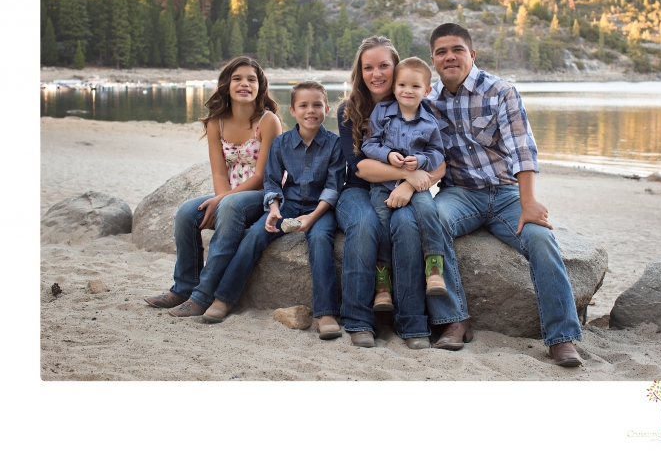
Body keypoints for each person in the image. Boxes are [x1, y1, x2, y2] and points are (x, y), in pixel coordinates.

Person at [426, 23, 583, 366]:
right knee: (430, 220)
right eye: (441, 52)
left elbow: (522, 148)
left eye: (457, 50)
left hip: (507, 194)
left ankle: (562, 338)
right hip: (460, 194)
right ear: (433, 59)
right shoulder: (429, 100)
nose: (449, 57)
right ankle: (455, 320)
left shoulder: (500, 91)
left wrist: (529, 202)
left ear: (472, 54)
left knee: (541, 239)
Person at [336, 36, 459, 350]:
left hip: (405, 188)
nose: (376, 74)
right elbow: (360, 166)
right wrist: (408, 172)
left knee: (406, 227)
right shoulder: (349, 110)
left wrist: (408, 184)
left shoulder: (421, 106)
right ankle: (359, 320)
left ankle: (413, 323)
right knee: (365, 225)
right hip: (359, 190)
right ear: (359, 72)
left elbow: (440, 164)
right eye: (368, 67)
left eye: (383, 66)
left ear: (397, 69)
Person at [202, 81, 346, 338]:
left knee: (321, 241)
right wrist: (274, 209)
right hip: (288, 203)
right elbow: (271, 179)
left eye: (316, 105)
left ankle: (326, 313)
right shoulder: (281, 143)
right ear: (293, 110)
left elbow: (334, 186)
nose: (310, 111)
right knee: (256, 235)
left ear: (327, 108)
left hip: (321, 208)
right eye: (303, 105)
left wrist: (312, 219)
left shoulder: (334, 144)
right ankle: (223, 298)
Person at [144, 56, 282, 318]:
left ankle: (203, 296)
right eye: (237, 79)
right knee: (187, 212)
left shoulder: (268, 121)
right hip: (231, 196)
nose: (244, 84)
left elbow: (263, 175)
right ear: (226, 85)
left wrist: (223, 201)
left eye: (251, 79)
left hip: (265, 195)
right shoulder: (215, 123)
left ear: (260, 86)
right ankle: (183, 287)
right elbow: (219, 171)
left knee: (229, 204)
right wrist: (220, 199)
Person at [361, 56, 448, 305]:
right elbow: (369, 144)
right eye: (401, 85)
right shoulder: (382, 112)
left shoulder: (430, 121)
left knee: (428, 211)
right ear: (394, 86)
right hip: (383, 185)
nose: (407, 91)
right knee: (382, 223)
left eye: (415, 86)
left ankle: (434, 267)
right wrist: (387, 155)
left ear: (427, 91)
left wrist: (419, 161)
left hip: (417, 183)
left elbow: (437, 153)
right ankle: (382, 281)